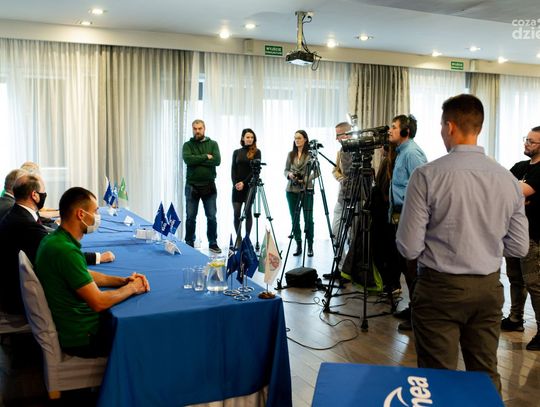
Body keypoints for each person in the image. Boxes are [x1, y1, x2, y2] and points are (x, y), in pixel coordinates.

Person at [396, 94, 529, 391]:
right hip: (488, 289)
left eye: (441, 126)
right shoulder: (508, 179)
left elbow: (409, 247)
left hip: (439, 289)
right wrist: (485, 244)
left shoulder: (426, 175)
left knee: (438, 379)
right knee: (485, 376)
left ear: (450, 127)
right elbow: (519, 246)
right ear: (478, 127)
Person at [35, 187, 149, 357]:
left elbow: (85, 274)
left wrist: (123, 281)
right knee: (144, 330)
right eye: (95, 211)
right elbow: (98, 302)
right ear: (81, 214)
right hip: (84, 336)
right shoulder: (66, 251)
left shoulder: (53, 240)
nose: (97, 216)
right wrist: (133, 288)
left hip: (75, 327)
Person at [0, 174, 115, 315]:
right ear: (34, 195)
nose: (45, 195)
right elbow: (61, 255)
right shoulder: (26, 225)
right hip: (16, 300)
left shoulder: (19, 213)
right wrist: (98, 257)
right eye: (44, 192)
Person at [500, 126, 540, 351]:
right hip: (513, 233)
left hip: (533, 235)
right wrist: (518, 197)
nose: (526, 144)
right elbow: (500, 189)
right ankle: (515, 319)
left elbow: (518, 192)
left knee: (534, 283)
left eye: (532, 142)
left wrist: (516, 195)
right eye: (527, 139)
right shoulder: (520, 166)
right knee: (515, 278)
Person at [387, 114, 427, 330]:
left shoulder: (412, 153)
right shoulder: (402, 151)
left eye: (394, 127)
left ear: (406, 131)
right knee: (405, 267)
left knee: (412, 268)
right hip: (400, 215)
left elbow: (424, 186)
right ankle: (413, 307)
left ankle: (419, 315)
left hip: (409, 215)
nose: (390, 130)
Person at [182, 119, 222, 253]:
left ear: (204, 129)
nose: (197, 131)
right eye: (195, 129)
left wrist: (197, 159)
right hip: (192, 186)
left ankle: (213, 243)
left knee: (211, 217)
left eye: (200, 128)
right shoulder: (187, 145)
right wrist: (206, 156)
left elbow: (217, 161)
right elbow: (188, 160)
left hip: (209, 186)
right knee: (190, 217)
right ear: (192, 129)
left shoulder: (213, 144)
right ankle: (189, 243)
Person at [284, 130, 316, 257]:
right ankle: (298, 244)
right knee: (295, 219)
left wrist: (306, 179)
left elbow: (317, 172)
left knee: (308, 219)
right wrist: (290, 175)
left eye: (299, 138)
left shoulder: (311, 154)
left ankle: (310, 245)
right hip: (291, 190)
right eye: (295, 138)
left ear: (305, 139)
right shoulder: (290, 154)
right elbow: (285, 170)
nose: (297, 140)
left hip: (307, 190)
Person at [231, 128, 261, 243]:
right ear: (243, 138)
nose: (250, 139)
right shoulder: (236, 152)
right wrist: (236, 184)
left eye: (252, 137)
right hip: (237, 186)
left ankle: (247, 239)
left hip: (250, 186)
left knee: (247, 212)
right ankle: (238, 239)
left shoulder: (257, 152)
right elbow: (233, 170)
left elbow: (255, 171)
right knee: (236, 213)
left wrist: (244, 183)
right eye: (248, 137)